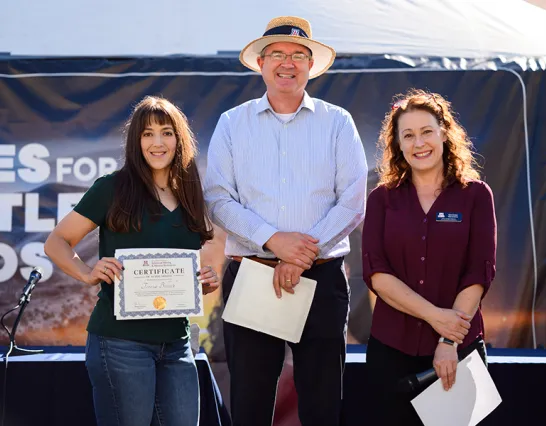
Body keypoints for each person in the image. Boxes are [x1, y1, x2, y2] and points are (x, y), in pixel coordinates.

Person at [204, 15, 368, 426]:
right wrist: (275, 242)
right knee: (251, 401)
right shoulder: (232, 123)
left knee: (322, 401)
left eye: (298, 54)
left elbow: (352, 201)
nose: (287, 63)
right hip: (252, 273)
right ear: (260, 63)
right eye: (276, 53)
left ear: (311, 65)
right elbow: (218, 199)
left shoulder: (337, 122)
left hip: (322, 276)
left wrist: (300, 256)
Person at [44, 96, 219, 426]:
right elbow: (57, 242)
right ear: (135, 141)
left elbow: (182, 265)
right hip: (120, 343)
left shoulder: (191, 193)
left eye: (166, 133)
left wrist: (201, 283)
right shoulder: (113, 188)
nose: (157, 142)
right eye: (147, 133)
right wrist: (86, 272)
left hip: (178, 344)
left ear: (179, 139)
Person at [362, 89, 497, 425]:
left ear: (444, 134)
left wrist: (448, 339)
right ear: (397, 144)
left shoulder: (476, 195)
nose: (418, 143)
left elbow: (479, 273)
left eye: (426, 132)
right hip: (391, 350)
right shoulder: (381, 199)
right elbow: (376, 273)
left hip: (459, 347)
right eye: (408, 135)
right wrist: (436, 317)